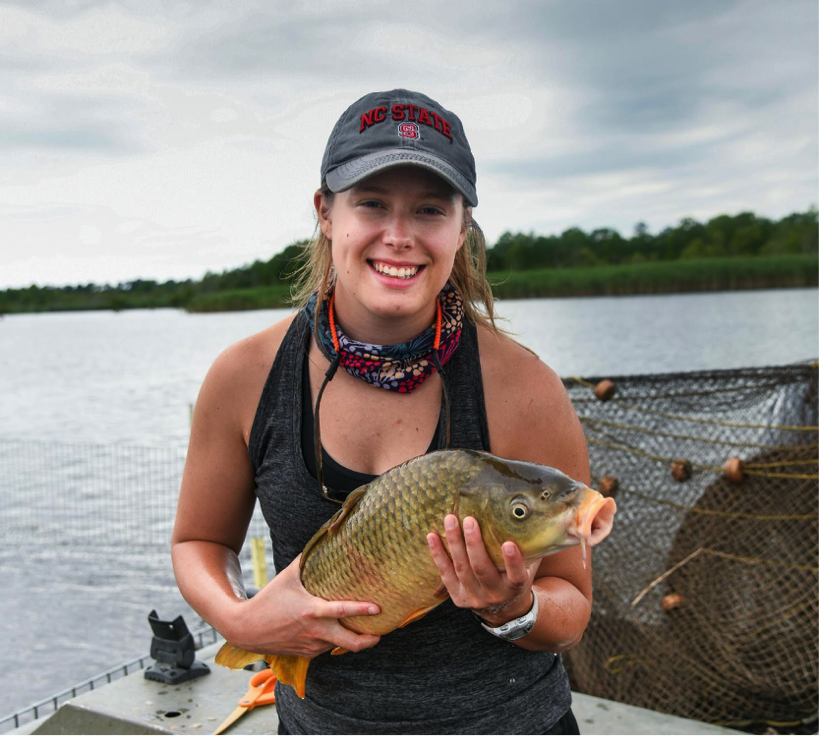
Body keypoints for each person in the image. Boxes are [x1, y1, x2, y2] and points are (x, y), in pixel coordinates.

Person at [171, 89, 592, 736]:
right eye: (371, 204)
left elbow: (573, 602)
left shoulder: (523, 386)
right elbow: (199, 542)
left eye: (429, 209)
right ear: (325, 212)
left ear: (461, 227)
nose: (399, 236)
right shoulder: (245, 377)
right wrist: (238, 619)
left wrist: (515, 606)